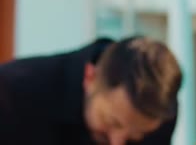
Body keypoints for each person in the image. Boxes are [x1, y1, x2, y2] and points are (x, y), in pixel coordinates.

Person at [0, 36, 182, 145]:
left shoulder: (160, 112)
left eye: (137, 136)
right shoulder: (12, 95)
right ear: (90, 77)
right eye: (112, 122)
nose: (117, 142)